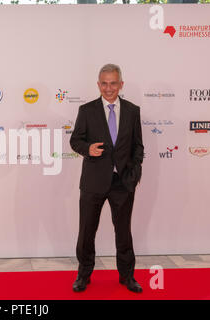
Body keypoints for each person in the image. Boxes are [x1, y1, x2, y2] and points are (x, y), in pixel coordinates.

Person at [70, 64, 144, 293]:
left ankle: (127, 276)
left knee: (123, 232)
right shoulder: (87, 110)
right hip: (93, 181)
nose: (109, 88)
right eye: (104, 83)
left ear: (121, 84)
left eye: (113, 83)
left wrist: (135, 172)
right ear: (98, 84)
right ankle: (83, 275)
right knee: (86, 231)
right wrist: (87, 148)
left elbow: (138, 146)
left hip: (122, 182)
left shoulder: (133, 110)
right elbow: (75, 140)